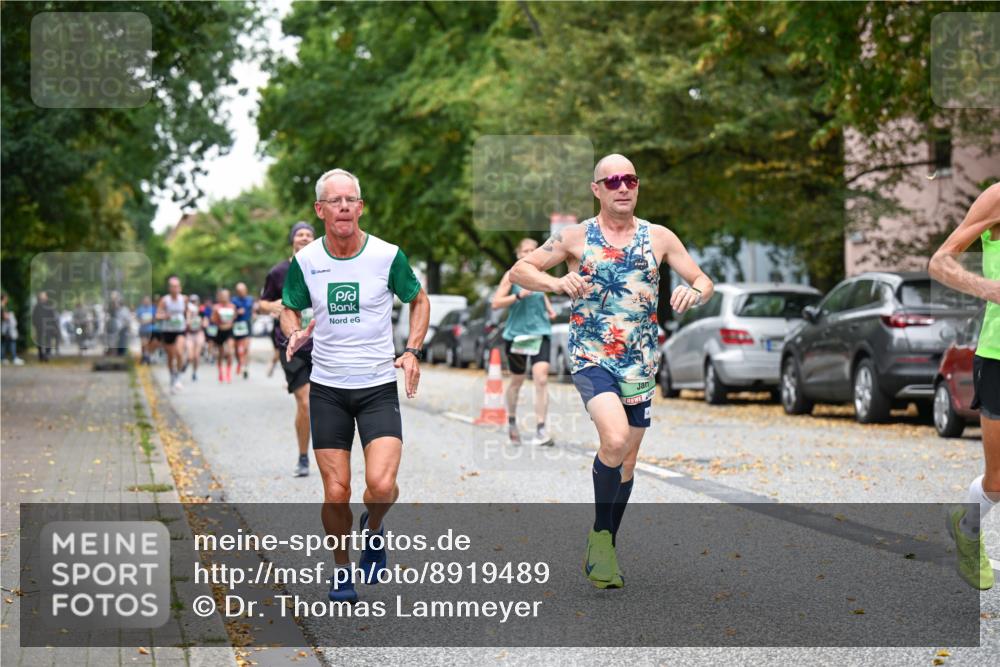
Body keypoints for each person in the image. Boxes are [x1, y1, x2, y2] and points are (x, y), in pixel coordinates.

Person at [510, 154, 713, 589]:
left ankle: (604, 542)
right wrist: (556, 283)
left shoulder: (658, 237)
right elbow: (521, 270)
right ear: (596, 188)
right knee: (615, 439)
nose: (624, 187)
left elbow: (702, 280)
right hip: (591, 356)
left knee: (628, 461)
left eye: (631, 179)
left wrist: (693, 294)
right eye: (614, 180)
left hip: (640, 362)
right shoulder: (573, 237)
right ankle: (602, 539)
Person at [282, 168, 429, 603]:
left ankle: (375, 529)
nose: (344, 206)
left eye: (351, 199)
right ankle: (342, 571)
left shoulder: (387, 256)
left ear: (360, 207)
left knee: (381, 487)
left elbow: (418, 300)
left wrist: (413, 350)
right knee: (336, 490)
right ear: (320, 209)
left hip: (377, 386)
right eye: (335, 200)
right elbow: (290, 306)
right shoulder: (305, 262)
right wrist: (294, 329)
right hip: (327, 388)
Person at [929, 182, 1000, 591]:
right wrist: (988, 288)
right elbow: (941, 263)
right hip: (998, 356)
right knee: (999, 480)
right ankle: (968, 525)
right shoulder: (996, 198)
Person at [259, 221, 317, 477]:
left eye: (308, 234)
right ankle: (304, 457)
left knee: (323, 403)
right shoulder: (279, 271)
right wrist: (272, 307)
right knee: (305, 401)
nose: (304, 238)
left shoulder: (325, 267)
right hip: (289, 344)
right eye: (299, 234)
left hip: (323, 345)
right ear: (292, 240)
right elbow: (261, 303)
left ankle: (328, 455)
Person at [492, 238, 558, 446]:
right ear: (518, 254)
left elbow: (544, 292)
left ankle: (541, 429)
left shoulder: (541, 274)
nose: (529, 253)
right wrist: (518, 296)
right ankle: (512, 421)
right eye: (525, 251)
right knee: (517, 381)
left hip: (540, 333)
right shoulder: (511, 276)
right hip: (518, 335)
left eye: (533, 250)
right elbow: (496, 303)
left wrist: (548, 307)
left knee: (541, 378)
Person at [157, 277, 188, 392]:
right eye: (172, 286)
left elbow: (187, 312)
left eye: (177, 286)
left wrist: (188, 319)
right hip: (168, 331)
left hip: (180, 329)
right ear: (169, 288)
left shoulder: (184, 299)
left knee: (179, 352)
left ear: (180, 288)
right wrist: (165, 316)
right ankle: (172, 377)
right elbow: (158, 315)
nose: (175, 288)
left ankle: (178, 377)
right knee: (171, 356)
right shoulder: (165, 300)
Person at [211, 289, 237, 383]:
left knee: (230, 352)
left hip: (229, 331)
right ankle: (220, 372)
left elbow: (234, 318)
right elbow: (213, 320)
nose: (225, 297)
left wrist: (230, 323)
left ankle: (228, 373)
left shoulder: (232, 306)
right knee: (221, 354)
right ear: (220, 297)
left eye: (227, 296)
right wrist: (217, 317)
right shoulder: (216, 307)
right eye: (223, 296)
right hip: (220, 331)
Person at [232, 282, 254, 379]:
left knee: (246, 347)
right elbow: (231, 312)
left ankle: (245, 367)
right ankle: (239, 362)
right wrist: (237, 312)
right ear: (237, 292)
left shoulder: (250, 299)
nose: (241, 292)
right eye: (239, 291)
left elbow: (252, 310)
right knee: (237, 349)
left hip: (247, 324)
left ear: (246, 290)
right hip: (237, 325)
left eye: (243, 290)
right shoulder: (233, 300)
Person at [31, 291, 60, 362]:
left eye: (44, 297)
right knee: (40, 342)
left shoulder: (48, 306)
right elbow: (34, 318)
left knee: (48, 341)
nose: (43, 298)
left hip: (48, 327)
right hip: (40, 327)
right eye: (42, 297)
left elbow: (52, 317)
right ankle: (41, 356)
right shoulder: (37, 307)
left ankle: (46, 355)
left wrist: (54, 327)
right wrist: (36, 325)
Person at [185, 294, 205, 381]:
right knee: (190, 356)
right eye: (192, 301)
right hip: (189, 334)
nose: (193, 303)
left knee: (196, 356)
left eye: (195, 301)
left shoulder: (202, 310)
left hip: (199, 334)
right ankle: (186, 363)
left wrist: (204, 322)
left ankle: (194, 372)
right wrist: (189, 316)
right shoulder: (186, 311)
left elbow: (206, 321)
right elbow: (186, 323)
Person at [1, 292, 24, 365]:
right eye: (6, 298)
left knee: (4, 343)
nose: (7, 299)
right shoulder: (1, 306)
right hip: (5, 328)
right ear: (4, 298)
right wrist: (10, 315)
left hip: (4, 328)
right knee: (11, 342)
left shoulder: (3, 306)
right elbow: (4, 317)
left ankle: (3, 358)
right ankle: (12, 358)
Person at [136, 295, 156, 364]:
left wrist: (149, 321)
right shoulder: (140, 309)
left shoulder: (153, 308)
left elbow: (155, 318)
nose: (146, 302)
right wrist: (142, 321)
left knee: (149, 344)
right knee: (143, 343)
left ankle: (147, 356)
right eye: (145, 300)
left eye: (147, 300)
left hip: (151, 329)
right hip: (143, 330)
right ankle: (144, 356)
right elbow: (138, 318)